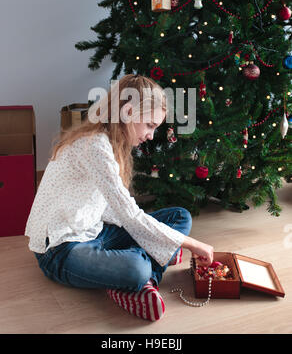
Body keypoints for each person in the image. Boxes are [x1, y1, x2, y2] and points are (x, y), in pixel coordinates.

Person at [25, 74, 213, 322]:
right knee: (137, 268)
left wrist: (166, 237)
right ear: (128, 112)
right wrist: (192, 244)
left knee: (180, 217)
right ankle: (144, 273)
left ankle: (142, 280)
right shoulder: (94, 145)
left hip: (97, 229)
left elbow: (115, 211)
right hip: (62, 248)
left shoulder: (113, 142)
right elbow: (129, 215)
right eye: (149, 125)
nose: (151, 136)